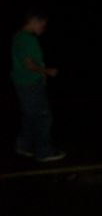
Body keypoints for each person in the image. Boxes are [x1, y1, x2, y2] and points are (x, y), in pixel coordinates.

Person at [11, 9, 66, 162]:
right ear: (33, 21)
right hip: (29, 84)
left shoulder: (21, 37)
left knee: (30, 115)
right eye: (42, 25)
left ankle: (23, 145)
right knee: (43, 117)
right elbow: (28, 64)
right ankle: (44, 152)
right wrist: (47, 71)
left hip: (26, 82)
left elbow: (29, 61)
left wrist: (42, 75)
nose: (43, 29)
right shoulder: (26, 39)